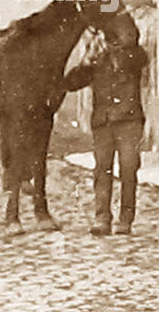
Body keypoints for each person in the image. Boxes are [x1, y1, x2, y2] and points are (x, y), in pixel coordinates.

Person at [63, 16, 148, 236]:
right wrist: (87, 61)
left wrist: (114, 49)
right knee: (102, 169)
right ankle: (102, 217)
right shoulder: (97, 58)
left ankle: (126, 218)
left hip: (129, 120)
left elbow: (134, 60)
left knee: (129, 168)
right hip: (103, 121)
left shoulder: (134, 55)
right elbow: (72, 83)